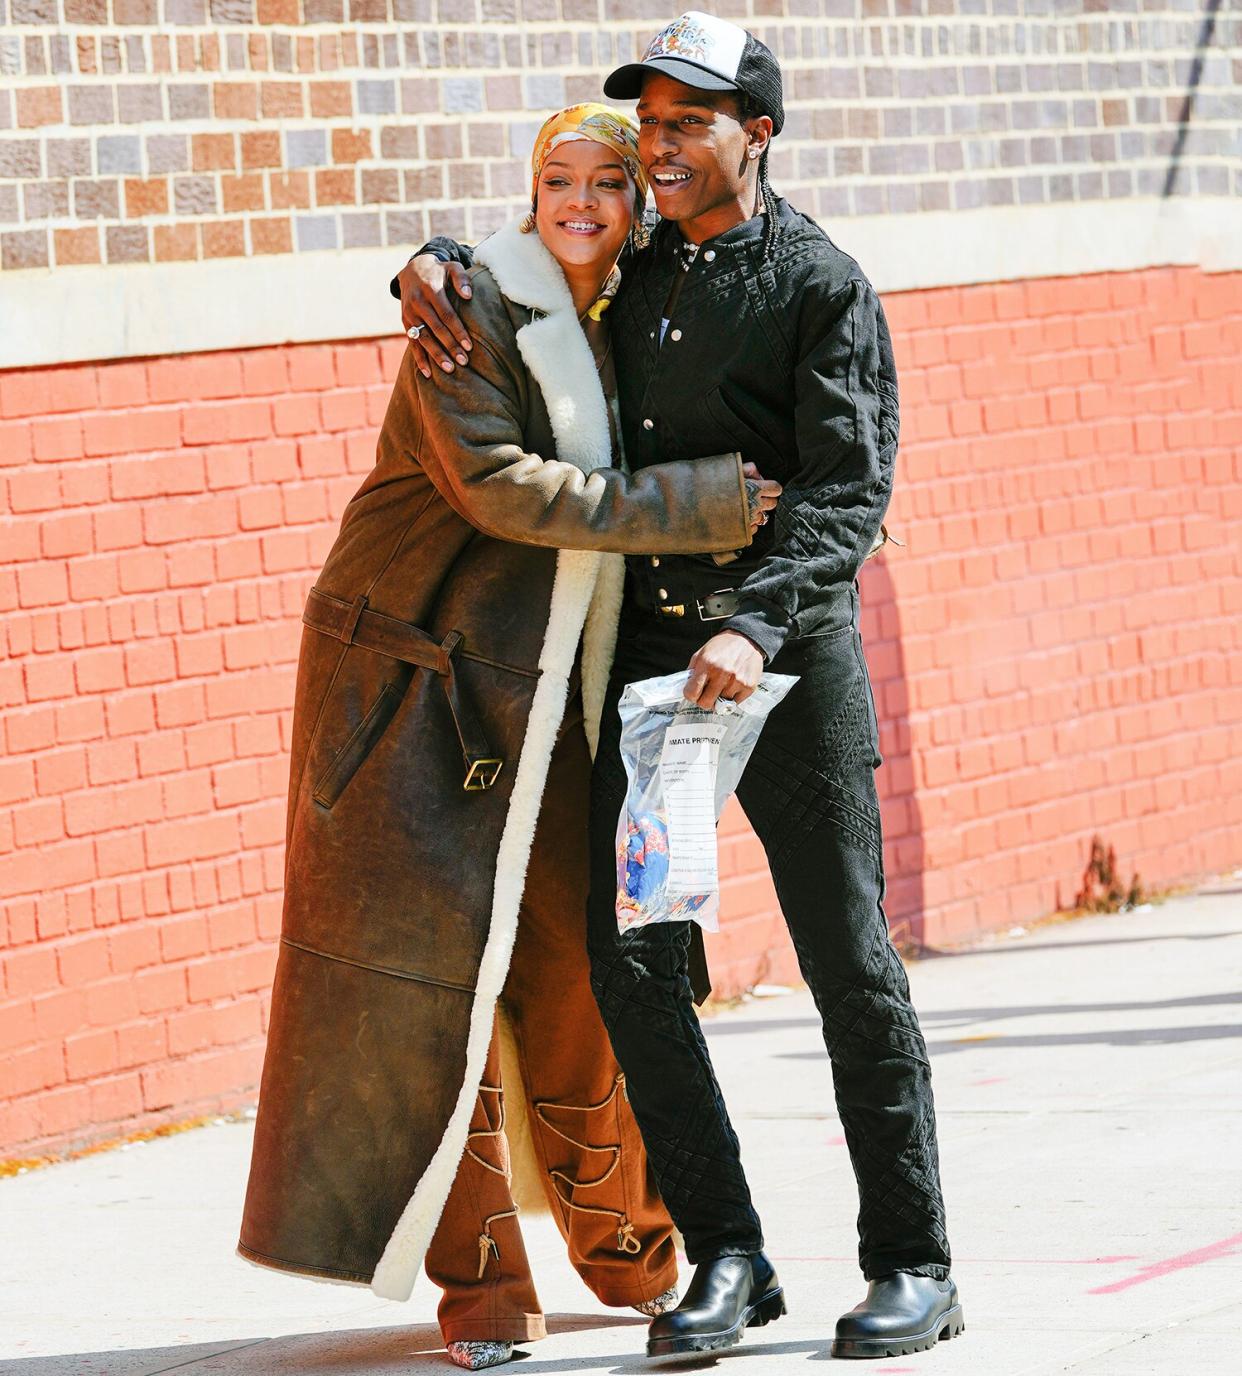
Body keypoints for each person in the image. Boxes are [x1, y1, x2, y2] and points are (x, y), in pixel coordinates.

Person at [395, 11, 963, 1363]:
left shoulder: (822, 283)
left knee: (847, 959)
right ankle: (727, 1258)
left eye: (683, 123)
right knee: (636, 966)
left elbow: (846, 493)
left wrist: (759, 626)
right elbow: (539, 256)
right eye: (643, 123)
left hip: (783, 667)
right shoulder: (633, 266)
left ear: (754, 133)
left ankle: (914, 1264)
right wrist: (432, 267)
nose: (653, 149)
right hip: (655, 678)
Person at [238, 102, 781, 1373]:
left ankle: (638, 1256)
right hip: (415, 693)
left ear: (640, 202)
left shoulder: (648, 310)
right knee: (447, 996)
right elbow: (503, 486)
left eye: (605, 180)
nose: (579, 201)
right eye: (556, 177)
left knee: (582, 974)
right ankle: (481, 1289)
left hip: (564, 703)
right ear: (526, 190)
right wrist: (709, 506)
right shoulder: (469, 311)